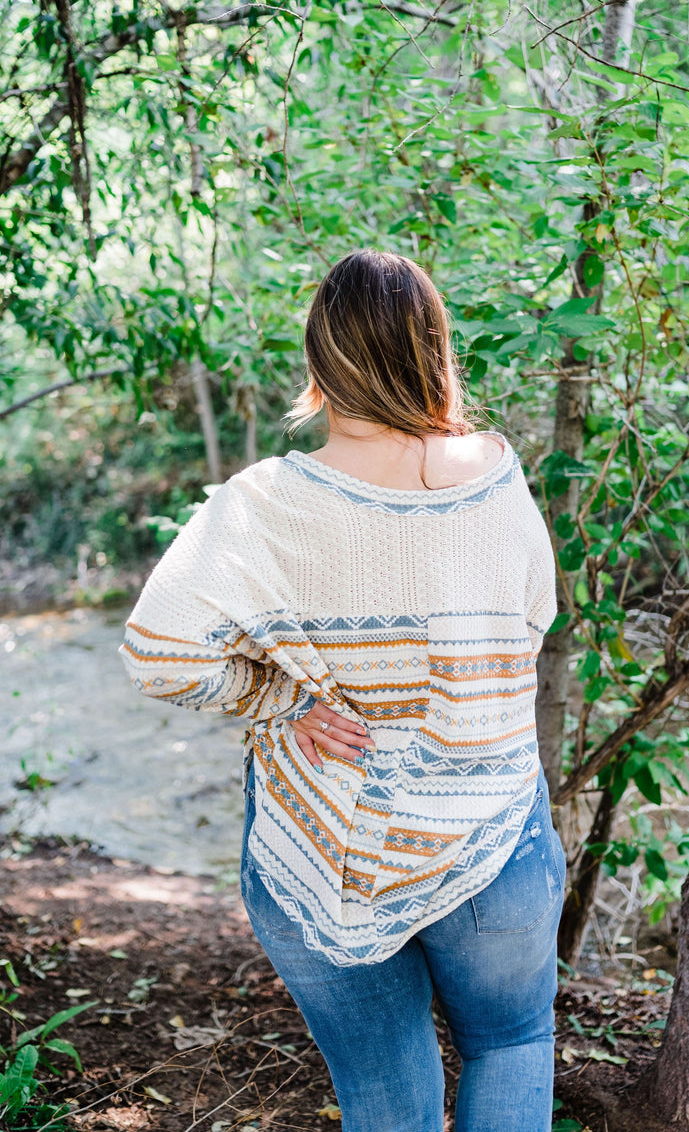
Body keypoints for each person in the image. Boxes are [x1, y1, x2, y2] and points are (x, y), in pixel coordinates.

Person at [120, 249, 566, 1132]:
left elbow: (157, 653)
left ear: (320, 364)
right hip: (490, 834)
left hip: (323, 850)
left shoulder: (264, 505)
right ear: (435, 352)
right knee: (511, 1044)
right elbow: (533, 621)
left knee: (385, 1098)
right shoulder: (494, 473)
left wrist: (281, 700)